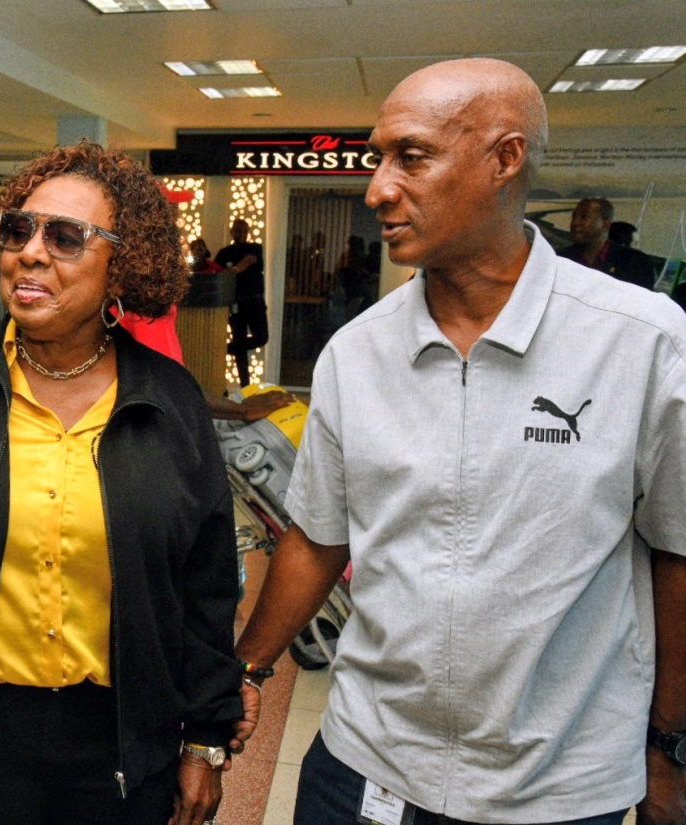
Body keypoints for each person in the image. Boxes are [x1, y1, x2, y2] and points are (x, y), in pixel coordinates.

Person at [232, 58, 686, 824]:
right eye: (377, 157)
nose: (377, 186)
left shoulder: (640, 342)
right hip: (364, 765)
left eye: (411, 155)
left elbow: (676, 552)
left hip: (557, 785)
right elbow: (317, 538)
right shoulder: (357, 352)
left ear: (504, 160)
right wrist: (244, 669)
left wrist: (668, 748)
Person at [0, 141, 242, 825]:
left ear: (121, 265)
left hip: (127, 734)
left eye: (66, 237)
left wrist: (206, 738)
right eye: (19, 229)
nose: (31, 252)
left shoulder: (168, 399)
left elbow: (207, 585)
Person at [558, 197, 659, 289]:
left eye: (584, 217)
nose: (575, 222)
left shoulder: (637, 263)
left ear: (605, 224)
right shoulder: (560, 260)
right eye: (573, 217)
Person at [215, 219, 267, 386]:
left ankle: (233, 346)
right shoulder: (224, 253)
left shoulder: (255, 248)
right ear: (232, 232)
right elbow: (216, 271)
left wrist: (236, 269)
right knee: (241, 354)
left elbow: (250, 260)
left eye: (242, 231)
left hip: (256, 302)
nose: (239, 234)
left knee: (261, 337)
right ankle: (245, 386)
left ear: (247, 232)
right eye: (236, 231)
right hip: (236, 305)